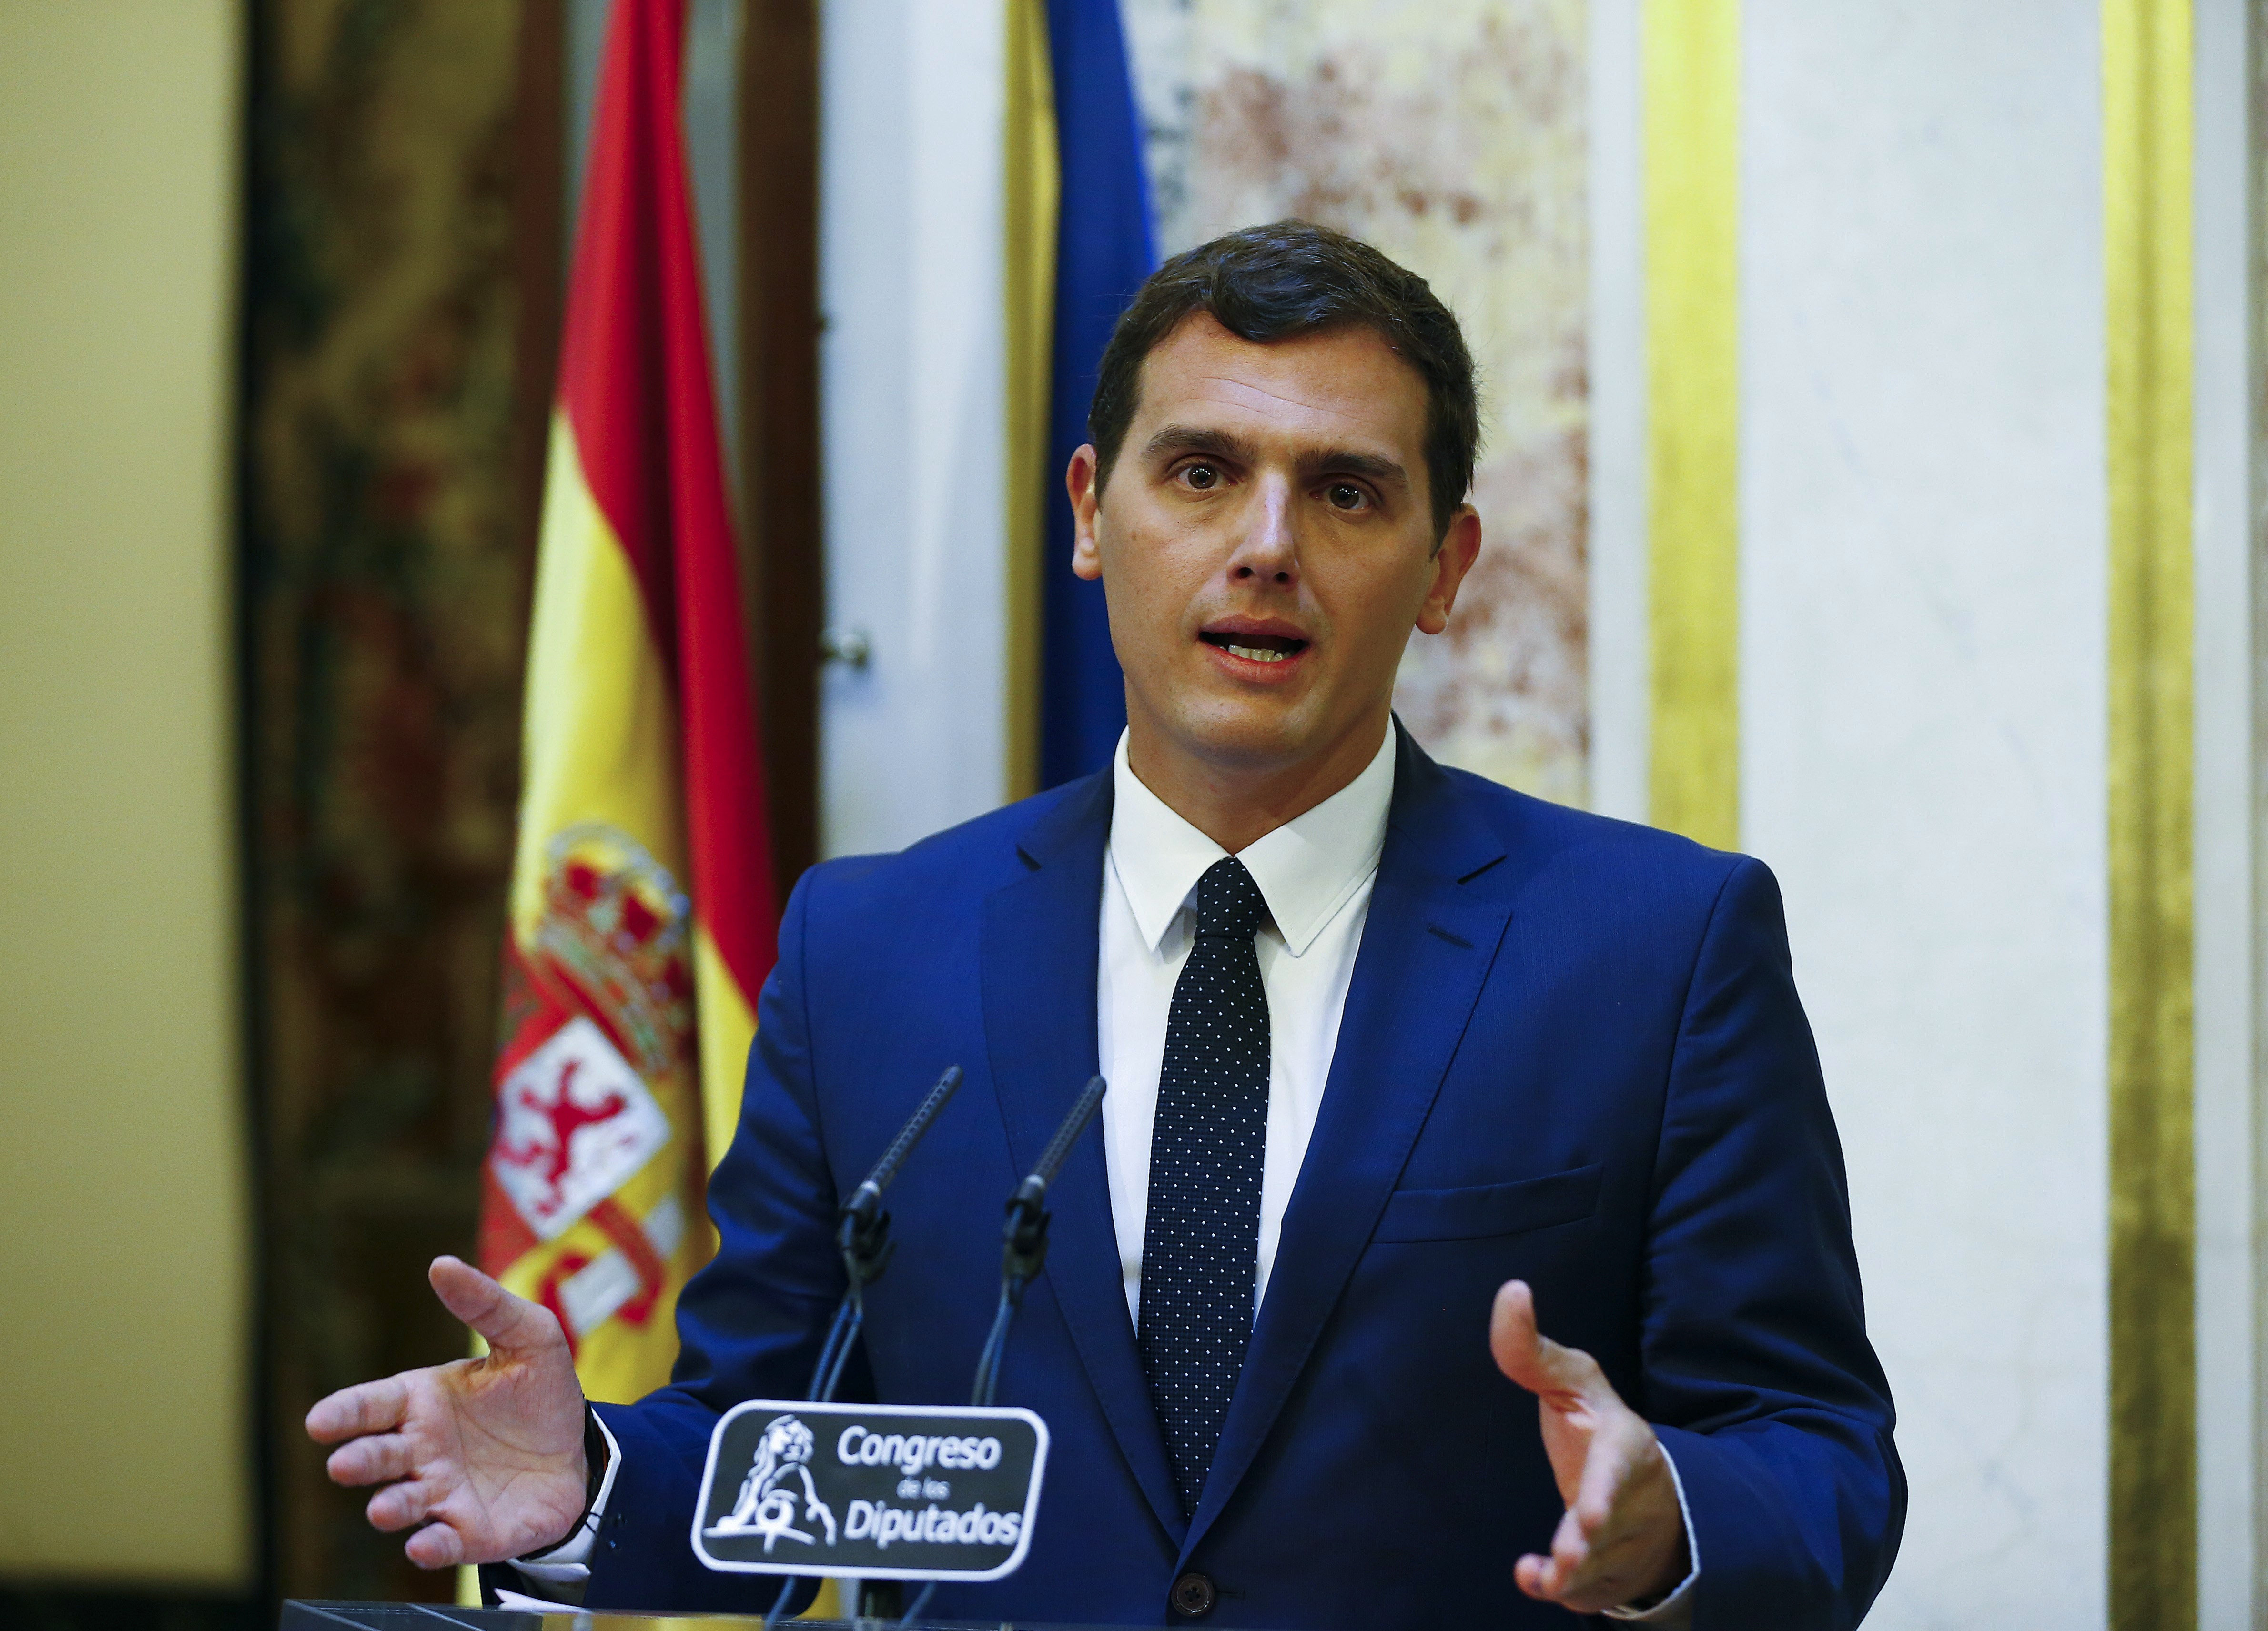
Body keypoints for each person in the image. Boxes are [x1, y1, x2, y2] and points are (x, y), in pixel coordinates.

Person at [308, 221, 1904, 1629]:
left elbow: (1816, 1456)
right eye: (1202, 472)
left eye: (1346, 491)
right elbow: (780, 1444)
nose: (1266, 545)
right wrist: (582, 1483)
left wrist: (1669, 1524)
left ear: (1444, 566)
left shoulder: (1659, 947)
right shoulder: (871, 950)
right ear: (1092, 512)